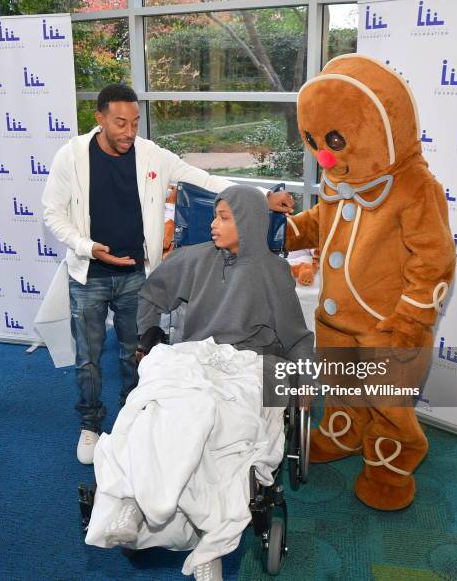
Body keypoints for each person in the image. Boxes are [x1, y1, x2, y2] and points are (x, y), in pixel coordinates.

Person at [41, 83, 294, 464]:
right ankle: (90, 425)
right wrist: (85, 246)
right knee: (88, 358)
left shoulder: (150, 155)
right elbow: (52, 213)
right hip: (89, 273)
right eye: (120, 123)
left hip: (135, 273)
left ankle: (133, 416)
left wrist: (260, 198)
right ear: (100, 120)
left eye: (135, 123)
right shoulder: (71, 157)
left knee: (136, 351)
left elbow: (204, 179)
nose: (129, 132)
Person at [86, 185, 314, 580]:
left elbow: (296, 337)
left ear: (249, 222)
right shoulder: (194, 259)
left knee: (222, 436)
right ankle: (130, 502)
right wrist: (148, 335)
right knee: (154, 406)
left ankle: (210, 548)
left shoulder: (273, 272)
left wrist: (305, 382)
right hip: (195, 355)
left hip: (250, 363)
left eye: (224, 217)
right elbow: (152, 294)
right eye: (215, 215)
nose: (213, 224)